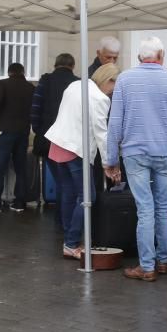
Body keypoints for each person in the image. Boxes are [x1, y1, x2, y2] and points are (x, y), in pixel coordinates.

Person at [104, 37, 167, 282]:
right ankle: (164, 261)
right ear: (162, 56)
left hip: (134, 153)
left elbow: (115, 122)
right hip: (164, 151)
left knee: (145, 208)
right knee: (163, 207)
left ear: (139, 57)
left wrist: (111, 158)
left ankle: (147, 266)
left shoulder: (125, 79)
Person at [45, 63, 118, 259]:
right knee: (87, 197)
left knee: (69, 194)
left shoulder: (75, 85)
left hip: (58, 143)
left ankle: (70, 241)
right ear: (108, 80)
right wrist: (108, 162)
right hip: (76, 149)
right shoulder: (100, 98)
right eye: (114, 85)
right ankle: (71, 242)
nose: (113, 91)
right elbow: (101, 133)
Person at [31, 53, 80, 225]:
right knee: (67, 183)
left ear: (55, 64)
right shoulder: (77, 83)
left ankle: (62, 221)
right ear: (72, 66)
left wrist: (38, 130)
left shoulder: (45, 81)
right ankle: (63, 221)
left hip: (47, 138)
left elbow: (35, 107)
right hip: (70, 140)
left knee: (62, 183)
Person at [0, 62, 36, 213]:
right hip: (23, 131)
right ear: (23, 72)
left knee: (0, 166)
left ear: (9, 72)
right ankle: (19, 202)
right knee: (20, 168)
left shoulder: (3, 84)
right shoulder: (31, 87)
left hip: (5, 131)